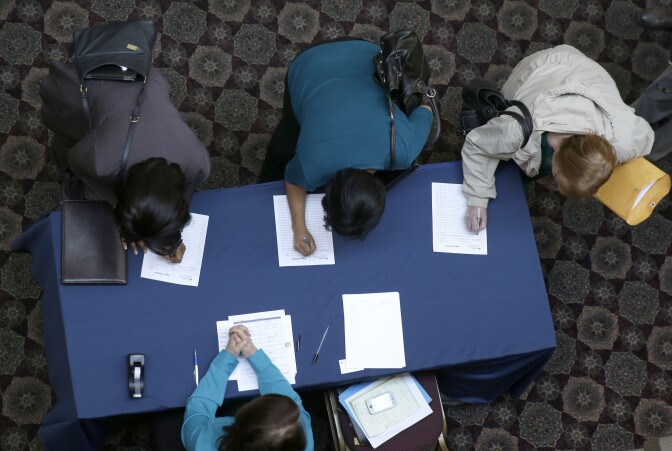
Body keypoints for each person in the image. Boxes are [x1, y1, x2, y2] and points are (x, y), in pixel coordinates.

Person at [259, 39, 433, 256]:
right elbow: (293, 181)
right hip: (312, 65)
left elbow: (425, 109)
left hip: (365, 53)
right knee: (287, 139)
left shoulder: (404, 150)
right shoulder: (312, 164)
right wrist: (298, 226)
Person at [461, 45, 654, 233]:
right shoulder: (515, 129)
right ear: (557, 156)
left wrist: (608, 159)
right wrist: (477, 199)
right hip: (544, 67)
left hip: (591, 77)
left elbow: (647, 136)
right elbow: (476, 144)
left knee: (521, 167)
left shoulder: (625, 139)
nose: (556, 187)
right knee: (499, 139)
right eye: (556, 179)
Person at [40, 61, 211, 263]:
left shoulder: (198, 164)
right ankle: (70, 193)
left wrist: (170, 241)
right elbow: (75, 159)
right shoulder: (100, 161)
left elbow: (179, 198)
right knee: (67, 143)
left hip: (145, 79)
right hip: (86, 85)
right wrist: (121, 209)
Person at [181, 325, 314, 451]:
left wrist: (228, 356)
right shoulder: (299, 432)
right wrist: (252, 352)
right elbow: (289, 399)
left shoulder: (203, 444)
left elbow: (197, 410)